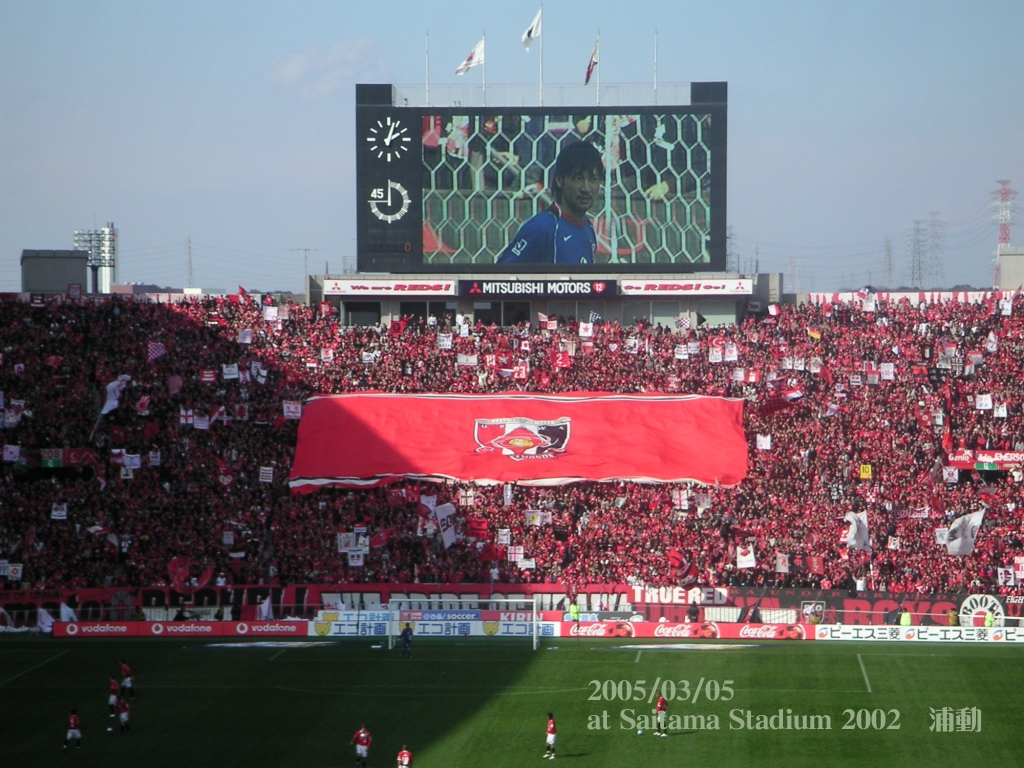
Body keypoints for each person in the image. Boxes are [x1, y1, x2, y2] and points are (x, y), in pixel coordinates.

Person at [497, 142, 602, 265]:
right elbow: (500, 278)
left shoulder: (587, 227)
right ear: (559, 180)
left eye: (593, 179)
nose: (586, 188)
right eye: (577, 178)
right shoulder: (542, 228)